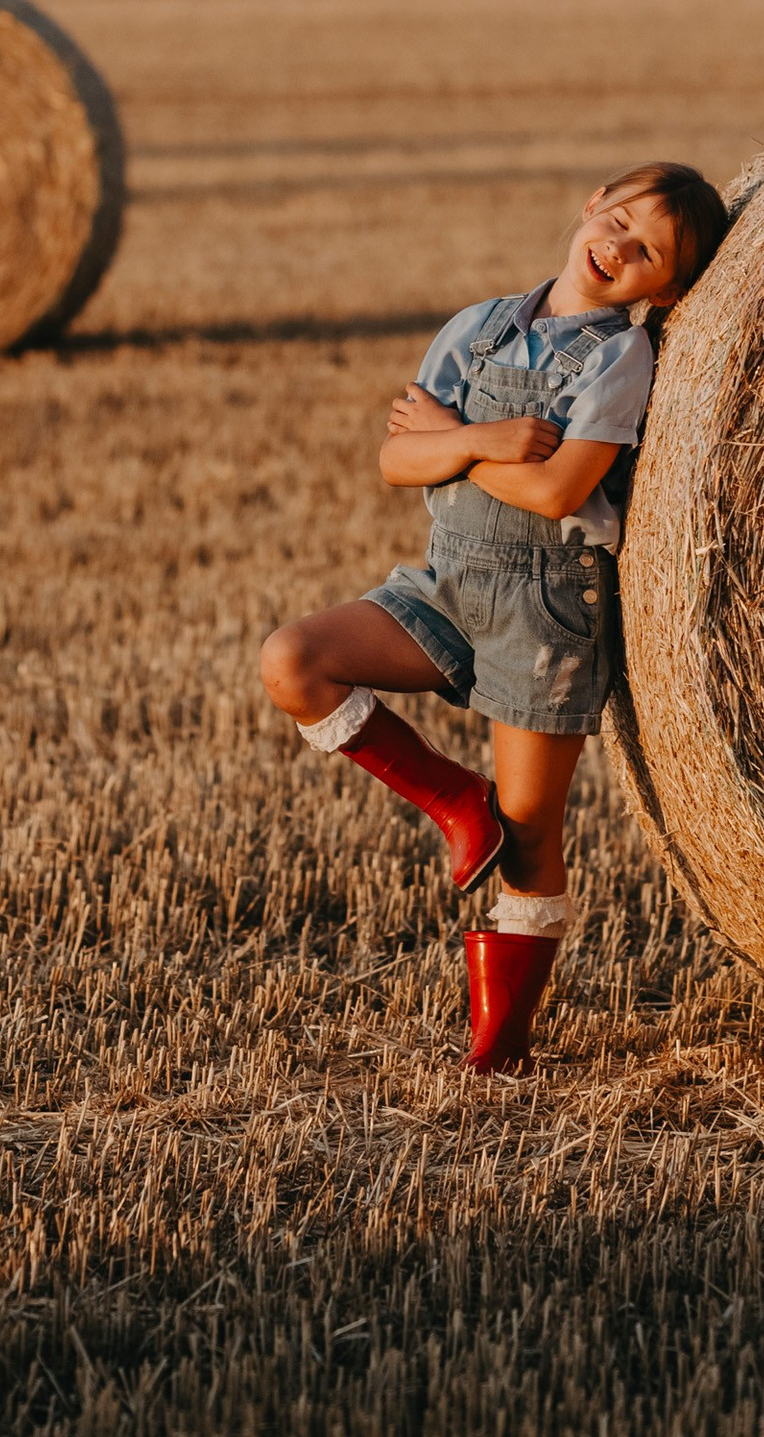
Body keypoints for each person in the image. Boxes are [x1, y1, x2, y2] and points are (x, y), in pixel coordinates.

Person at [261, 163, 729, 1073]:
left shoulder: (619, 361)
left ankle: (501, 1045)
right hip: (446, 585)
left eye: (647, 255)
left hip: (546, 611)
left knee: (529, 836)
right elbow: (398, 460)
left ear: (664, 290)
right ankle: (450, 799)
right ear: (592, 203)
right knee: (295, 661)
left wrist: (452, 444)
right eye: (620, 222)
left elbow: (559, 489)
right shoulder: (476, 326)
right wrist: (478, 440)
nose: (618, 249)